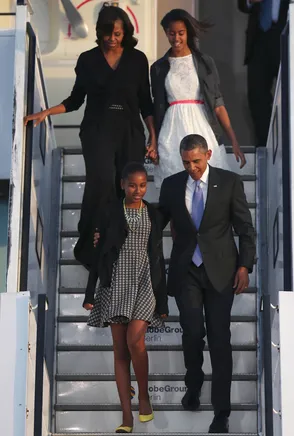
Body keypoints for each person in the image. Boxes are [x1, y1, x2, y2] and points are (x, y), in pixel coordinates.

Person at [24, 4, 157, 267]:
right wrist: (46, 112)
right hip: (97, 130)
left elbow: (146, 102)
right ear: (99, 32)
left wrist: (153, 137)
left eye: (117, 33)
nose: (112, 38)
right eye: (107, 33)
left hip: (130, 131)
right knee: (102, 182)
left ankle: (121, 246)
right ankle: (89, 246)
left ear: (125, 33)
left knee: (128, 187)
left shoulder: (138, 59)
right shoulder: (87, 59)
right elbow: (75, 100)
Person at [158, 134, 256, 434]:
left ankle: (221, 412)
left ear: (208, 155)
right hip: (186, 270)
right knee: (191, 332)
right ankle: (194, 383)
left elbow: (245, 228)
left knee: (218, 339)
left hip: (221, 271)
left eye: (197, 162)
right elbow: (155, 224)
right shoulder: (172, 185)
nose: (192, 168)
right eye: (186, 162)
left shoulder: (229, 182)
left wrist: (244, 266)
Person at [83, 162, 168, 434]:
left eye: (142, 185)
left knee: (135, 340)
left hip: (144, 283)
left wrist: (162, 301)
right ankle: (126, 415)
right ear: (122, 184)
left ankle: (144, 395)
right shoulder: (109, 212)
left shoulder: (154, 213)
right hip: (115, 284)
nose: (137, 190)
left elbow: (158, 258)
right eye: (132, 185)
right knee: (120, 352)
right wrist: (89, 293)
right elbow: (100, 256)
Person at [150, 9, 246, 188]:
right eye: (171, 33)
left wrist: (233, 139)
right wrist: (153, 141)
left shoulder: (204, 62)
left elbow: (217, 102)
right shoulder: (158, 67)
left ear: (188, 32)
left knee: (206, 178)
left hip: (202, 123)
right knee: (175, 181)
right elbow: (156, 106)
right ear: (166, 33)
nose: (176, 38)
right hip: (171, 129)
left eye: (181, 33)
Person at [238, 0, 294, 146]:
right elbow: (242, 5)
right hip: (259, 39)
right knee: (257, 96)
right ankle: (265, 147)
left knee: (291, 94)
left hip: (288, 35)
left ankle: (292, 143)